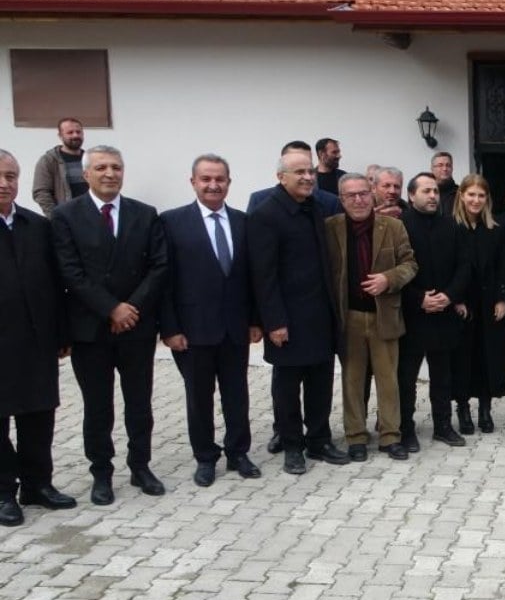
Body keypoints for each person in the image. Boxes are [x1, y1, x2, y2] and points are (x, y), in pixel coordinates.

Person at [51, 145, 169, 504]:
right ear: (86, 174)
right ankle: (101, 473)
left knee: (140, 403)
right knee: (97, 407)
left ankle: (140, 466)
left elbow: (159, 266)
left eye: (116, 167)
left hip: (136, 327)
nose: (110, 173)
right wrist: (111, 309)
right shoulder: (65, 216)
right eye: (101, 167)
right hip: (91, 329)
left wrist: (130, 308)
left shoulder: (144, 214)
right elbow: (70, 272)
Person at [159, 154, 263, 487]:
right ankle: (205, 457)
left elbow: (253, 278)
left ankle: (238, 452)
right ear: (193, 182)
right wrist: (170, 328)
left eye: (220, 179)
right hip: (193, 330)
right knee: (199, 398)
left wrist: (255, 320)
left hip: (235, 328)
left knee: (237, 394)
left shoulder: (244, 222)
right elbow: (165, 280)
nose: (213, 185)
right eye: (206, 179)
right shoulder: (172, 222)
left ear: (229, 183)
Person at [248, 151, 350, 475]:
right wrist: (274, 322)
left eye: (310, 171)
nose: (308, 177)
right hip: (287, 319)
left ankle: (319, 440)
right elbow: (262, 276)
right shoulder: (266, 215)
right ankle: (293, 446)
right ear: (281, 177)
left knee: (321, 382)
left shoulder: (319, 208)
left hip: (320, 314)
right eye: (299, 172)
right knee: (288, 388)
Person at [0, 149, 76, 526]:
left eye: (11, 176)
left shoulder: (37, 226)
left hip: (37, 342)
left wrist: (62, 333)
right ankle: (3, 493)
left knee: (39, 418)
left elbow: (58, 284)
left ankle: (37, 484)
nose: (5, 183)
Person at [326, 173, 418, 462]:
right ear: (341, 199)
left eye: (363, 193)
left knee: (388, 379)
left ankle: (391, 436)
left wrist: (388, 279)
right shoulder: (330, 228)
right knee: (352, 381)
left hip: (384, 315)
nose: (358, 199)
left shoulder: (393, 227)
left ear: (372, 194)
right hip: (348, 317)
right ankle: (355, 436)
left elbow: (410, 263)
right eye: (351, 195)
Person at [399, 172, 471, 450]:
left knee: (443, 376)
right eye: (426, 191)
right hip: (411, 316)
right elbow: (392, 271)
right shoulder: (399, 226)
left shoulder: (452, 225)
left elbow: (465, 266)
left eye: (435, 192)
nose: (432, 196)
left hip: (444, 312)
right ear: (411, 195)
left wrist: (449, 296)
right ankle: (406, 429)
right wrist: (419, 299)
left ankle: (443, 425)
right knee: (406, 378)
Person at [450, 175, 505, 434]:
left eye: (481, 195)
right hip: (462, 305)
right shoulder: (450, 227)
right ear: (461, 196)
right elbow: (446, 267)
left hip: (488, 304)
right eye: (471, 194)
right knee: (463, 358)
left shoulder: (496, 231)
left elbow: (503, 268)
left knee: (489, 357)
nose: (476, 200)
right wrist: (455, 299)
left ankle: (485, 410)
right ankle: (462, 409)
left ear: (487, 199)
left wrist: (502, 298)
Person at [247, 141, 341, 218]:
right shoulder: (259, 201)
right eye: (299, 170)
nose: (307, 176)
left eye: (307, 161)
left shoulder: (330, 203)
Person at [33, 117, 88, 216]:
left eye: (78, 132)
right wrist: (55, 217)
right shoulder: (49, 160)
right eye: (70, 132)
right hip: (67, 218)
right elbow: (41, 192)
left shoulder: (90, 159)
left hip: (92, 217)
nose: (75, 135)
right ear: (60, 135)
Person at [431, 152, 457, 217]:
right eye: (440, 165)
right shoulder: (427, 193)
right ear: (432, 169)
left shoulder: (460, 193)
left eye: (448, 165)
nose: (445, 169)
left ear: (452, 168)